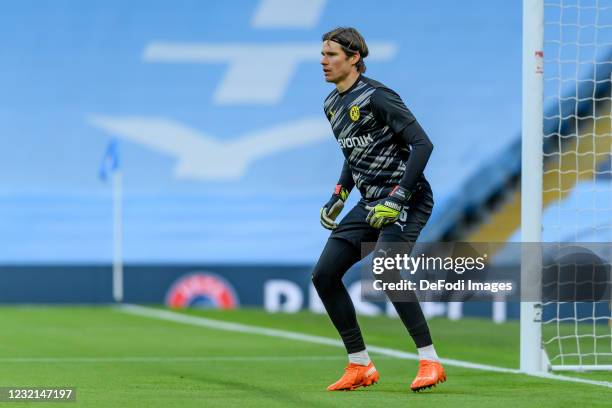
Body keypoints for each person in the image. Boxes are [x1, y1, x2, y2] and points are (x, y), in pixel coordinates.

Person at [313, 27, 446, 392]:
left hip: (408, 198)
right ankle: (360, 365)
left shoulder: (378, 96)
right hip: (369, 201)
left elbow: (422, 144)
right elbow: (353, 155)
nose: (323, 61)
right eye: (323, 54)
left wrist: (398, 196)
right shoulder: (331, 104)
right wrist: (339, 194)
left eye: (331, 54)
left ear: (354, 58)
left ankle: (430, 361)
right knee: (324, 275)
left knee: (385, 271)